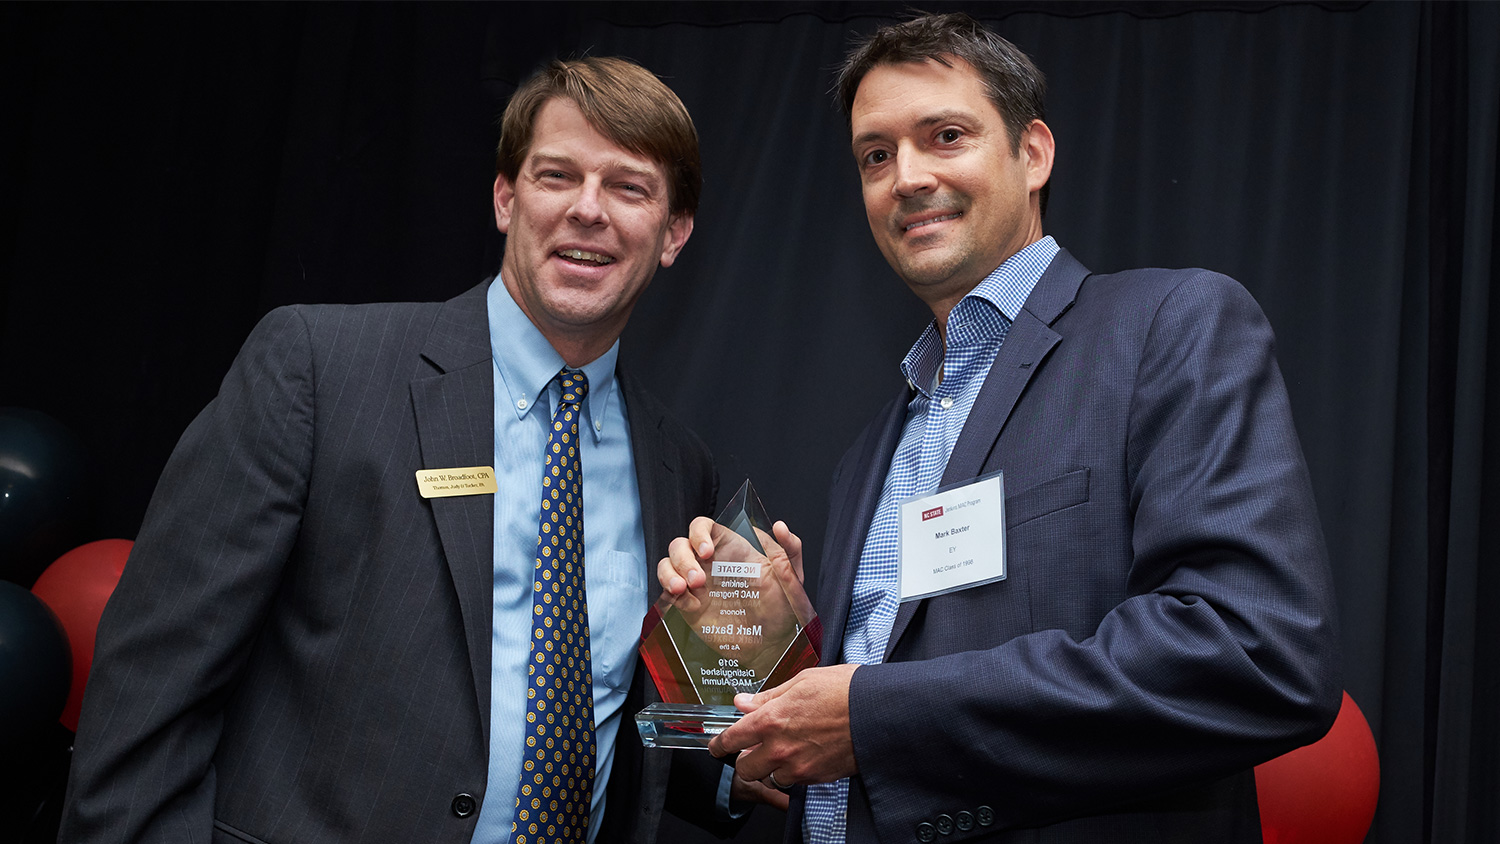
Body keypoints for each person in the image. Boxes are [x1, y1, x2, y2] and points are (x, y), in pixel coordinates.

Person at [661, 13, 1342, 843]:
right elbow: (876, 689)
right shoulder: (873, 450)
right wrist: (779, 632)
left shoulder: (1170, 327)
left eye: (945, 136)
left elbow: (1254, 654)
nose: (906, 176)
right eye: (876, 155)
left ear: (1033, 154)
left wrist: (871, 715)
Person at [63, 56, 753, 844]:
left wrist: (755, 678)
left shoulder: (677, 466)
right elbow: (151, 690)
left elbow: (634, 736)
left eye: (628, 188)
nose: (587, 211)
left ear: (674, 234)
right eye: (556, 175)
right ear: (505, 198)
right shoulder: (320, 371)